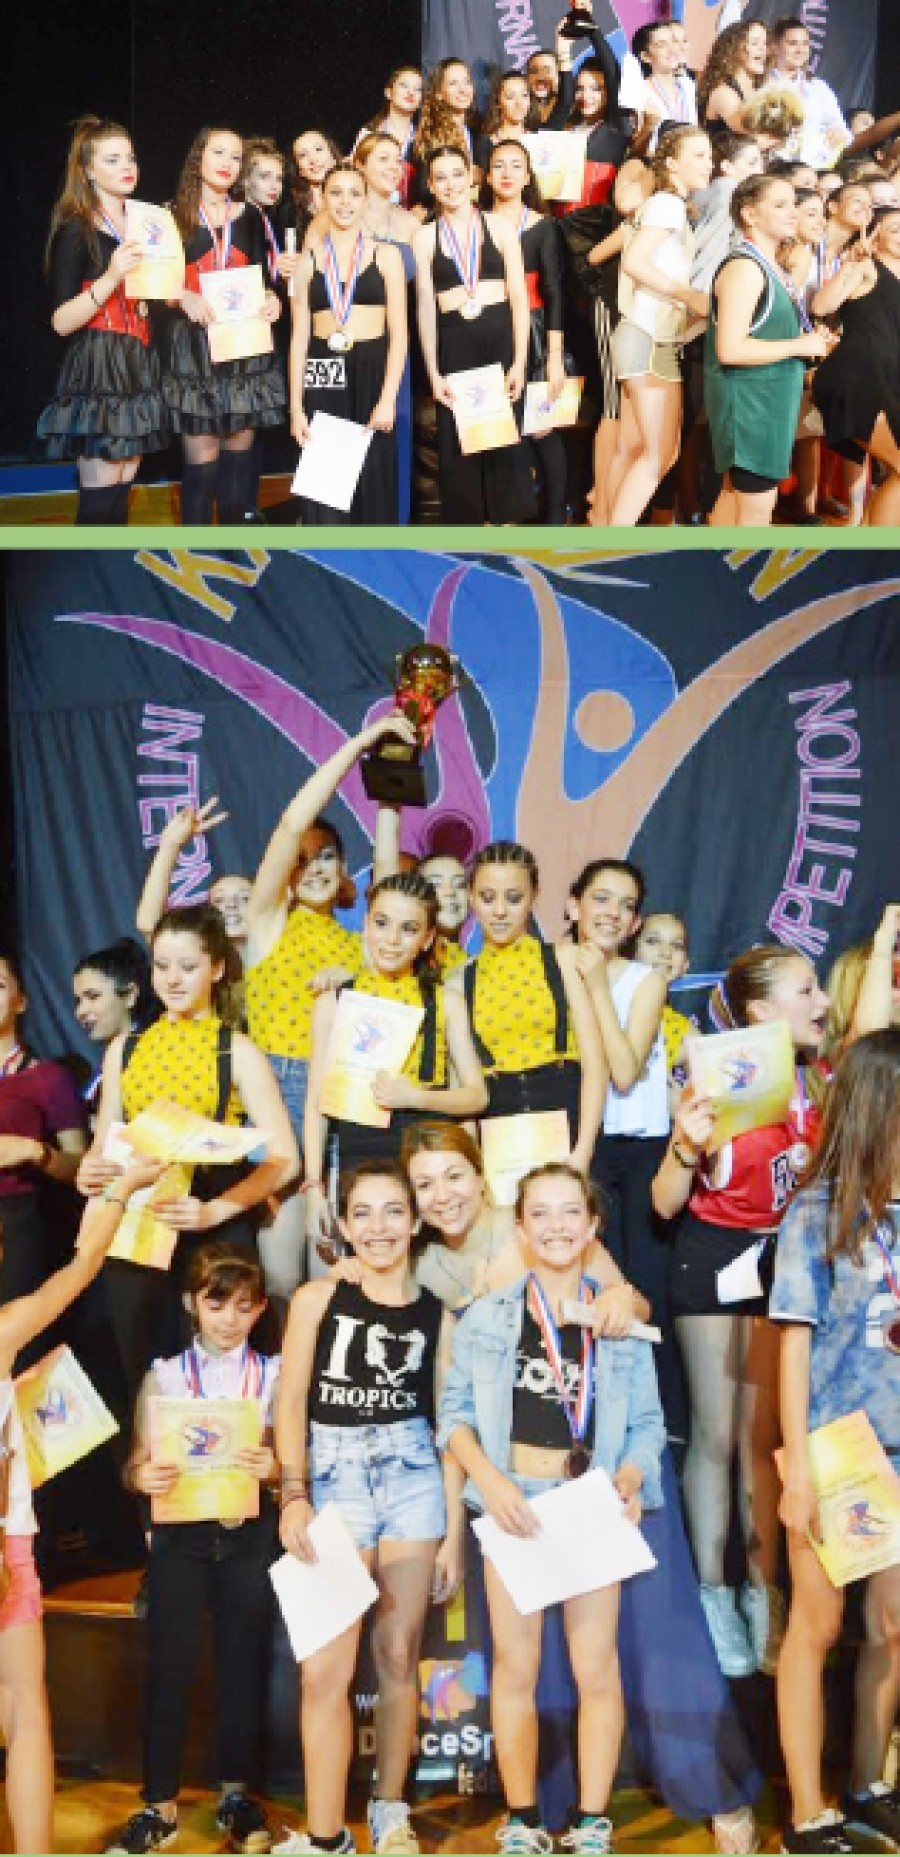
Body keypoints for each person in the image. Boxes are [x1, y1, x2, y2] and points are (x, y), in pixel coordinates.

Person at [438, 1162, 666, 1857]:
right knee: (515, 1668)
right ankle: (523, 1818)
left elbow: (650, 1425)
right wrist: (491, 1482)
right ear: (520, 1228)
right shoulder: (487, 1317)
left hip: (589, 1503)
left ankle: (592, 1822)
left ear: (593, 1226)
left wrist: (629, 1477)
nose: (557, 1226)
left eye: (571, 1212)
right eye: (540, 1212)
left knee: (596, 1668)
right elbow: (453, 1417)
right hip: (516, 1505)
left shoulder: (619, 1322)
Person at [275, 1160, 463, 1857]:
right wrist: (293, 1492)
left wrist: (453, 1536)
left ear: (414, 1222)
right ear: (345, 1226)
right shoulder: (317, 1299)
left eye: (393, 1211)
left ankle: (390, 1809)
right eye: (363, 1213)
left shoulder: (439, 1315)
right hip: (334, 1478)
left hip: (413, 1479)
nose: (379, 1227)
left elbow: (449, 1428)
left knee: (397, 1652)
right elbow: (290, 1401)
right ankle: (327, 1837)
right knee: (324, 1669)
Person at [652, 945, 829, 1678]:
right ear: (760, 1010)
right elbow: (665, 1202)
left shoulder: (820, 1078)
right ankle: (713, 1595)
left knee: (766, 1440)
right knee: (716, 1432)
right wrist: (685, 1142)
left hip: (784, 1260)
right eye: (806, 990)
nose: (822, 1002)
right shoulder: (714, 1075)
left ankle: (766, 1593)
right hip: (712, 1256)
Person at [0, 1148, 166, 1854]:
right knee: (24, 1711)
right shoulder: (5, 1327)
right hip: (7, 1549)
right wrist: (124, 1187)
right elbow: (86, 1260)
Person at [79, 904, 298, 1415]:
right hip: (138, 1224)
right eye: (162, 966)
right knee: (140, 1368)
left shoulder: (236, 1051)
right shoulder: (125, 1049)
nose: (172, 979)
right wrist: (91, 1170)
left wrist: (216, 1210)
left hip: (211, 1220)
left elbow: (285, 1159)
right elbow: (104, 1143)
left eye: (187, 966)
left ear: (216, 968)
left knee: (223, 1374)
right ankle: (146, 1468)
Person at [104, 1242, 280, 1857]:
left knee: (242, 1663)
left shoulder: (274, 1374)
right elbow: (134, 1465)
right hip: (181, 1536)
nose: (229, 1319)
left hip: (247, 1532)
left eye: (243, 1306)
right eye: (216, 1304)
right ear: (191, 1304)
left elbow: (292, 1466)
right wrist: (142, 1478)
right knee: (169, 1667)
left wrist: (275, 1468)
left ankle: (236, 1796)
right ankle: (159, 1804)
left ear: (260, 1309)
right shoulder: (166, 1375)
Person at [770, 1030, 900, 1855]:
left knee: (892, 1627)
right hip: (840, 1447)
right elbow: (794, 1345)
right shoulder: (817, 1211)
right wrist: (800, 1470)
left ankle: (867, 1783)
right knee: (816, 1630)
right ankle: (807, 1810)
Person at [244, 717, 415, 1297]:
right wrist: (360, 746)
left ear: (343, 870)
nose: (315, 866)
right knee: (279, 1272)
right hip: (276, 1092)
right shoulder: (268, 923)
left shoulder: (360, 944)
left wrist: (391, 784)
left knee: (333, 1268)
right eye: (304, 859)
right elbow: (291, 824)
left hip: (343, 1101)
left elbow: (389, 873)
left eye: (328, 856)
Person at [303, 871, 488, 1246]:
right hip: (360, 1152)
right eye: (382, 923)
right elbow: (317, 1102)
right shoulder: (334, 1001)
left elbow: (476, 1096)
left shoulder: (445, 1001)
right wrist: (314, 1186)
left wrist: (417, 1097)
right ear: (365, 924)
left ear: (427, 938)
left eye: (408, 929)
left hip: (427, 1159)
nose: (391, 939)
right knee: (370, 1260)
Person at [37, 116, 168, 525]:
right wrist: (111, 277)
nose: (126, 167)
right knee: (100, 496)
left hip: (137, 359)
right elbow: (61, 321)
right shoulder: (76, 228)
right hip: (98, 362)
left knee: (124, 484)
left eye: (130, 157)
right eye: (112, 160)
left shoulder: (145, 224)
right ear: (88, 171)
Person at [450, 841, 605, 1179]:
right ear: (471, 898)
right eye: (487, 897)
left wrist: (583, 1151)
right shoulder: (460, 980)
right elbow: (465, 1088)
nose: (500, 911)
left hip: (567, 1118)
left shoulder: (563, 958)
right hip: (499, 1134)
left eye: (513, 898)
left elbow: (595, 1066)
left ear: (534, 896)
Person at [565, 861, 670, 1348]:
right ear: (574, 907)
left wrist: (598, 988)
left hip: (639, 1153)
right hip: (578, 1141)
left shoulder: (646, 980)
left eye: (626, 906)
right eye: (601, 898)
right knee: (583, 1282)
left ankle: (657, 1394)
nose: (612, 913)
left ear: (634, 924)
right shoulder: (552, 966)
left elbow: (625, 1072)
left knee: (641, 1287)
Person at [160, 127, 284, 527]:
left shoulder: (251, 217)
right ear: (198, 158)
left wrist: (272, 299)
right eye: (219, 153)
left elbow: (262, 279)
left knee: (238, 466)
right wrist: (181, 296)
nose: (227, 163)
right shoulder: (170, 215)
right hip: (195, 350)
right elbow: (153, 285)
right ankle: (194, 555)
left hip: (243, 347)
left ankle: (238, 555)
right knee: (202, 465)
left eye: (235, 156)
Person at [413, 146, 536, 525]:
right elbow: (425, 308)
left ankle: (507, 535)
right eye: (441, 177)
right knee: (461, 448)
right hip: (454, 346)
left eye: (457, 174)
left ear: (471, 178)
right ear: (431, 185)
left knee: (505, 447)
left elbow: (519, 298)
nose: (451, 184)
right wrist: (433, 372)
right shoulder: (424, 237)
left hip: (499, 342)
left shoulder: (498, 226)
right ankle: (469, 538)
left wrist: (520, 361)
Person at [705, 173, 830, 525]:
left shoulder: (772, 266)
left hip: (768, 405)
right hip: (751, 409)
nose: (792, 212)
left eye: (793, 204)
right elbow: (730, 349)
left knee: (732, 506)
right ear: (749, 214)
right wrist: (799, 344)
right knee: (755, 513)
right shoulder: (745, 267)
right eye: (780, 205)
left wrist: (808, 342)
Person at [289, 164, 407, 527]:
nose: (345, 202)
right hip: (324, 370)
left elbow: (399, 334)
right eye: (336, 193)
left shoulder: (386, 256)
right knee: (325, 497)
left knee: (373, 488)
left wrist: (388, 399)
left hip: (372, 371)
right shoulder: (307, 262)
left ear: (366, 200)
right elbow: (299, 339)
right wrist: (296, 408)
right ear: (322, 199)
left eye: (354, 193)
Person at [607, 127, 713, 526]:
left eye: (709, 156)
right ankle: (613, 539)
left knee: (635, 451)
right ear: (671, 163)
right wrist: (688, 296)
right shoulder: (667, 204)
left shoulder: (667, 205)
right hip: (648, 339)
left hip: (646, 335)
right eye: (698, 156)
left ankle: (605, 529)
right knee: (658, 456)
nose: (709, 164)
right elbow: (633, 261)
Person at [0, 950, 88, 1333]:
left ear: (20, 1001)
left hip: (19, 1223)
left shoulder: (48, 1078)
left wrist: (34, 1151)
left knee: (16, 1343)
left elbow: (79, 1166)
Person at [485, 140, 570, 524]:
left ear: (527, 177)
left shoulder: (543, 227)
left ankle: (554, 521)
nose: (507, 173)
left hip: (535, 336)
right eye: (499, 166)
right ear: (487, 177)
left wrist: (554, 357)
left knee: (541, 431)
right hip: (491, 332)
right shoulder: (476, 224)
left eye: (515, 166)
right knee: (499, 430)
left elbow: (555, 292)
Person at [811, 204, 900, 526]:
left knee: (894, 470)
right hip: (857, 377)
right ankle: (879, 546)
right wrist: (849, 266)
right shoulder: (867, 269)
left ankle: (870, 540)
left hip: (886, 379)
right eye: (895, 229)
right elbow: (821, 306)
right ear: (875, 237)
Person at [73, 937, 156, 1109]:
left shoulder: (151, 1059)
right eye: (78, 1001)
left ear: (130, 995)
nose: (81, 1011)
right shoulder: (107, 1061)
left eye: (93, 997)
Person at [764, 16, 850, 172]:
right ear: (774, 47)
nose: (800, 50)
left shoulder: (818, 87)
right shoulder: (762, 84)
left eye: (805, 44)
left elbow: (842, 129)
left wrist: (839, 133)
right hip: (774, 165)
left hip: (816, 166)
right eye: (792, 43)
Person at [355, 67, 423, 209]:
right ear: (388, 92)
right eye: (404, 85)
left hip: (412, 214)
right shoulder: (368, 134)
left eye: (417, 89)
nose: (411, 92)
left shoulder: (424, 138)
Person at [697, 21, 768, 134]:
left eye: (765, 43)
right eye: (755, 43)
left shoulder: (762, 89)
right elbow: (753, 135)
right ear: (734, 49)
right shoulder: (723, 93)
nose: (763, 49)